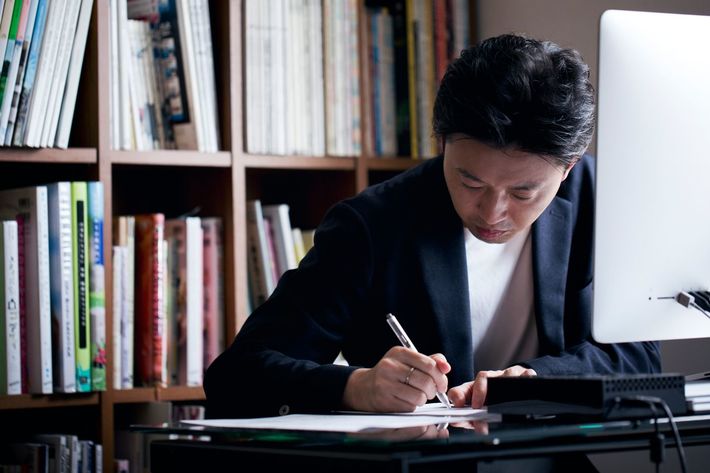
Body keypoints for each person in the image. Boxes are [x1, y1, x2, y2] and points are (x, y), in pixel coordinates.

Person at [204, 33, 661, 418]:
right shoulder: (372, 225)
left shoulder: (600, 200)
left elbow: (639, 356)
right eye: (470, 181)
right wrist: (356, 387)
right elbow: (237, 376)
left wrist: (539, 378)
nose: (492, 212)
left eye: (523, 193)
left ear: (568, 166)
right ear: (442, 142)